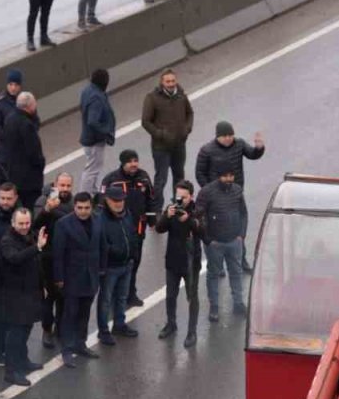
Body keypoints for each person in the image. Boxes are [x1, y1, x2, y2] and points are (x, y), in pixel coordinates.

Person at [195, 121, 266, 274]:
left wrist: (259, 148)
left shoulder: (239, 144)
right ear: (218, 136)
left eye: (230, 135)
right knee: (216, 230)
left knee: (237, 228)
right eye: (225, 136)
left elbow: (253, 154)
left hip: (235, 194)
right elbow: (199, 173)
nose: (228, 138)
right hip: (215, 198)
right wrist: (209, 191)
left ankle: (242, 261)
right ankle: (218, 265)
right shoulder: (207, 150)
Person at [53, 193, 104, 368]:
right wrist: (59, 278)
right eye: (80, 208)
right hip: (71, 278)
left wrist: (101, 269)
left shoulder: (98, 220)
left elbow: (101, 246)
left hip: (91, 276)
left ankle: (80, 344)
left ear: (91, 207)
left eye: (86, 208)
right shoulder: (63, 224)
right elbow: (58, 254)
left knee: (84, 313)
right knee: (70, 315)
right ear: (74, 207)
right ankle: (67, 349)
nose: (83, 211)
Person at [0, 209, 48, 387]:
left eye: (27, 223)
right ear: (13, 223)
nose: (24, 226)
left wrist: (42, 285)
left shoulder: (29, 236)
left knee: (26, 329)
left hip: (30, 292)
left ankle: (23, 361)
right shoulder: (7, 241)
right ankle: (11, 372)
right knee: (15, 334)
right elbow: (15, 258)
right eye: (21, 223)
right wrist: (37, 247)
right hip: (15, 295)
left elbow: (36, 263)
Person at [100, 149, 154, 307]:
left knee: (134, 263)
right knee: (115, 265)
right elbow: (101, 203)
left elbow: (151, 199)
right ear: (123, 163)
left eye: (135, 160)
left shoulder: (144, 177)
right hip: (117, 231)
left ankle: (131, 294)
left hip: (138, 230)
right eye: (130, 161)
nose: (134, 164)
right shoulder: (111, 180)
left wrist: (152, 219)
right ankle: (113, 297)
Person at [197, 166, 248, 322]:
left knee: (236, 272)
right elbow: (199, 216)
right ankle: (214, 307)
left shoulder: (237, 190)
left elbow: (243, 213)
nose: (229, 179)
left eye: (231, 176)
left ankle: (238, 303)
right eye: (225, 176)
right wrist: (208, 240)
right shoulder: (206, 192)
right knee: (213, 274)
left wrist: (241, 235)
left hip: (234, 241)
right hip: (215, 243)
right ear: (218, 176)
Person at [142, 69, 194, 212]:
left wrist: (187, 129)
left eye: (173, 81)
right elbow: (145, 121)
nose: (171, 84)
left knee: (179, 178)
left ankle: (178, 207)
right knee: (161, 180)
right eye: (168, 81)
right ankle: (156, 211)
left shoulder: (181, 95)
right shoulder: (152, 98)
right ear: (162, 82)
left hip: (179, 145)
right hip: (161, 148)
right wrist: (160, 134)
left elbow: (190, 113)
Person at [156, 181, 201, 347]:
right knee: (170, 296)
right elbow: (159, 229)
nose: (181, 200)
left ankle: (192, 332)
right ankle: (171, 323)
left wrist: (189, 220)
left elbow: (203, 232)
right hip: (173, 260)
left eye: (184, 197)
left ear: (191, 196)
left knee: (192, 297)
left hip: (191, 263)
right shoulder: (171, 209)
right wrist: (166, 216)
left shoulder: (197, 211)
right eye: (178, 196)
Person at [34, 173, 75, 349]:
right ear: (55, 184)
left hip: (67, 258)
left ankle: (60, 327)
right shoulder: (44, 201)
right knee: (49, 297)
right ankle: (47, 330)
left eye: (68, 186)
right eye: (62, 185)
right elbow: (35, 223)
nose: (65, 189)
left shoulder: (74, 203)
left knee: (64, 296)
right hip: (48, 257)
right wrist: (47, 210)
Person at [96, 187, 139, 345]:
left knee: (122, 297)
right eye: (115, 201)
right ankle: (103, 331)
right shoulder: (100, 219)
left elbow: (132, 233)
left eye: (121, 200)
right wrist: (115, 252)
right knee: (106, 300)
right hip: (110, 267)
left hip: (126, 263)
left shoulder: (127, 214)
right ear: (107, 200)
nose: (119, 203)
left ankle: (119, 325)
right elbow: (101, 244)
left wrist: (133, 254)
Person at [1, 92, 46, 210]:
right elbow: (34, 152)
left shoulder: (9, 119)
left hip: (13, 174)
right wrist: (41, 164)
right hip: (29, 179)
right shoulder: (27, 125)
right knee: (32, 208)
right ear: (29, 106)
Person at [79, 69, 116, 195]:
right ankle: (85, 194)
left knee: (93, 167)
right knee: (92, 170)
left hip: (88, 137)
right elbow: (93, 121)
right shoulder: (97, 98)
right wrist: (106, 131)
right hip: (95, 140)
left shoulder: (87, 90)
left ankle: (92, 191)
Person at [0, 69, 24, 161]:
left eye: (16, 85)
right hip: (6, 151)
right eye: (11, 84)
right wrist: (8, 138)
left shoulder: (24, 100)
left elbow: (34, 119)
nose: (13, 88)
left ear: (20, 86)